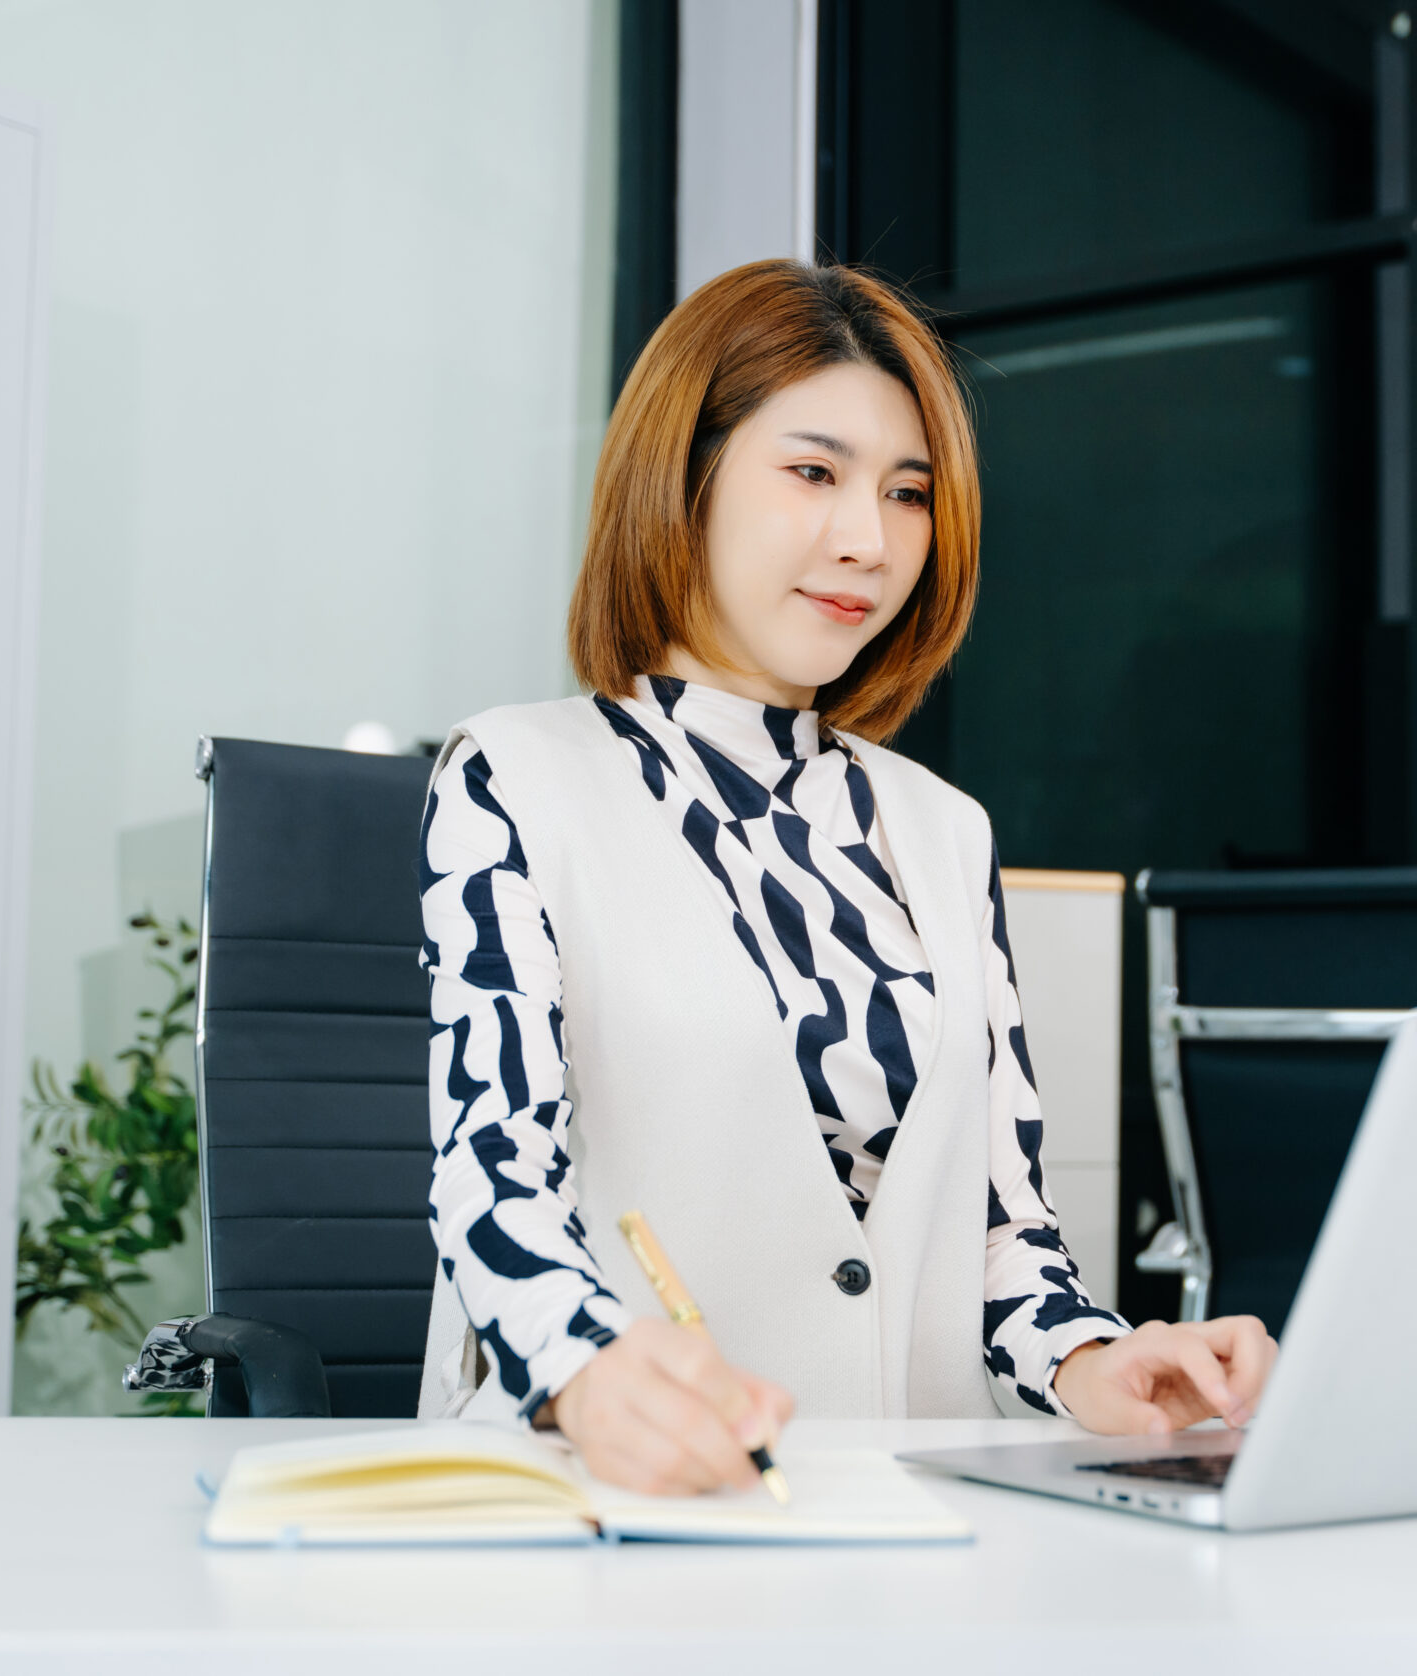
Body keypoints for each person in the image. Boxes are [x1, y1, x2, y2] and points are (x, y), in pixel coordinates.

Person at [415, 258, 1275, 1495]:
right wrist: (582, 1368)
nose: (868, 540)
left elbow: (1000, 1231)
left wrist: (1096, 1359)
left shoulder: (943, 830)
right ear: (684, 476)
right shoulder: (516, 776)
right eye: (813, 472)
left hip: (905, 1514)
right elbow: (494, 1172)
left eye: (908, 492)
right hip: (625, 1501)